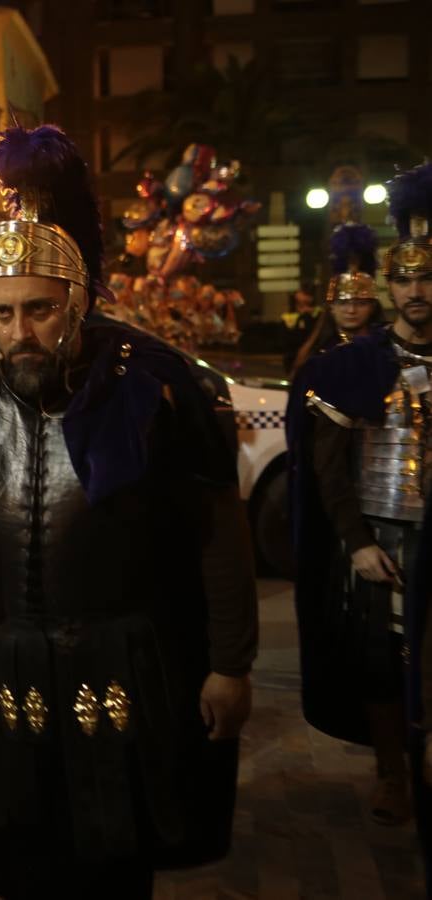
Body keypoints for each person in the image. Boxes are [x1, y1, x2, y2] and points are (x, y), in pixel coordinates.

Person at [0, 125, 256, 899]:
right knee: (3, 863)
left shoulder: (152, 384)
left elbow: (216, 530)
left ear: (77, 301)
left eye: (39, 310)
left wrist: (231, 663)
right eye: (1, 313)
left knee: (111, 864)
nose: (20, 332)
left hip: (120, 670)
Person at [290, 164, 432, 841]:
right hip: (380, 534)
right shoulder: (355, 363)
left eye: (426, 277)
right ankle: (392, 774)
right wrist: (357, 541)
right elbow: (327, 464)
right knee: (381, 661)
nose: (416, 291)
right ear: (387, 284)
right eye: (404, 278)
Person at [291, 222, 384, 376]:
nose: (351, 310)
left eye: (360, 303)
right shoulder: (314, 355)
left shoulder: (386, 351)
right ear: (331, 307)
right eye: (343, 302)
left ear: (372, 306)